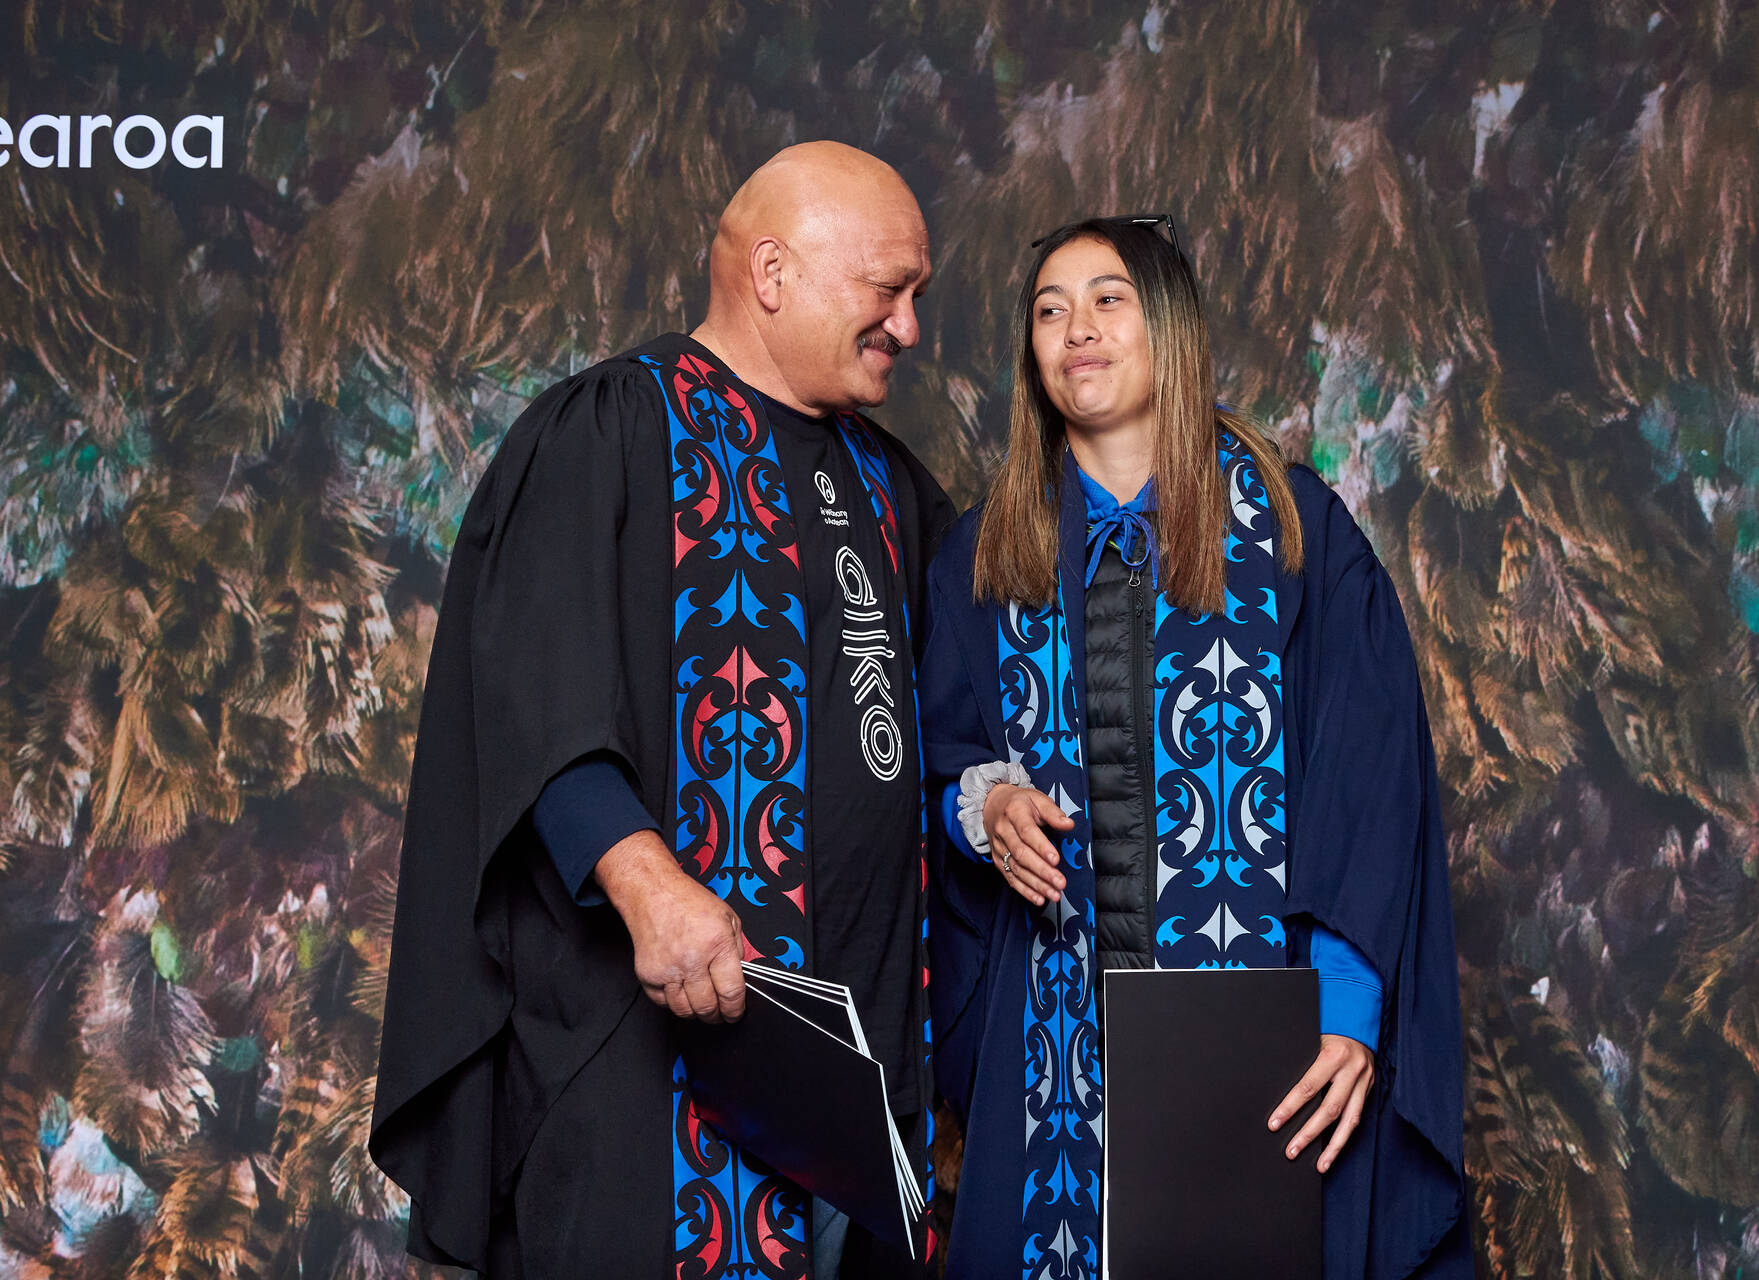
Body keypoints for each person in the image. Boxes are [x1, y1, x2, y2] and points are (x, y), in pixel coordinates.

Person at [370, 141, 954, 1280]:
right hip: (657, 1076)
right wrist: (647, 887)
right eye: (890, 290)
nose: (911, 328)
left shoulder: (889, 485)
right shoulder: (614, 430)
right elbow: (537, 700)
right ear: (774, 273)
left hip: (865, 1088)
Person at [919, 217, 1469, 1278]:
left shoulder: (1294, 527)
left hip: (1262, 1026)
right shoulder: (986, 552)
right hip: (1055, 1034)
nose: (1077, 329)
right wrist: (981, 807)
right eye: (1049, 310)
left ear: (1169, 324)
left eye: (1108, 299)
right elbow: (938, 755)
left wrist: (1346, 1008)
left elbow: (1367, 772)